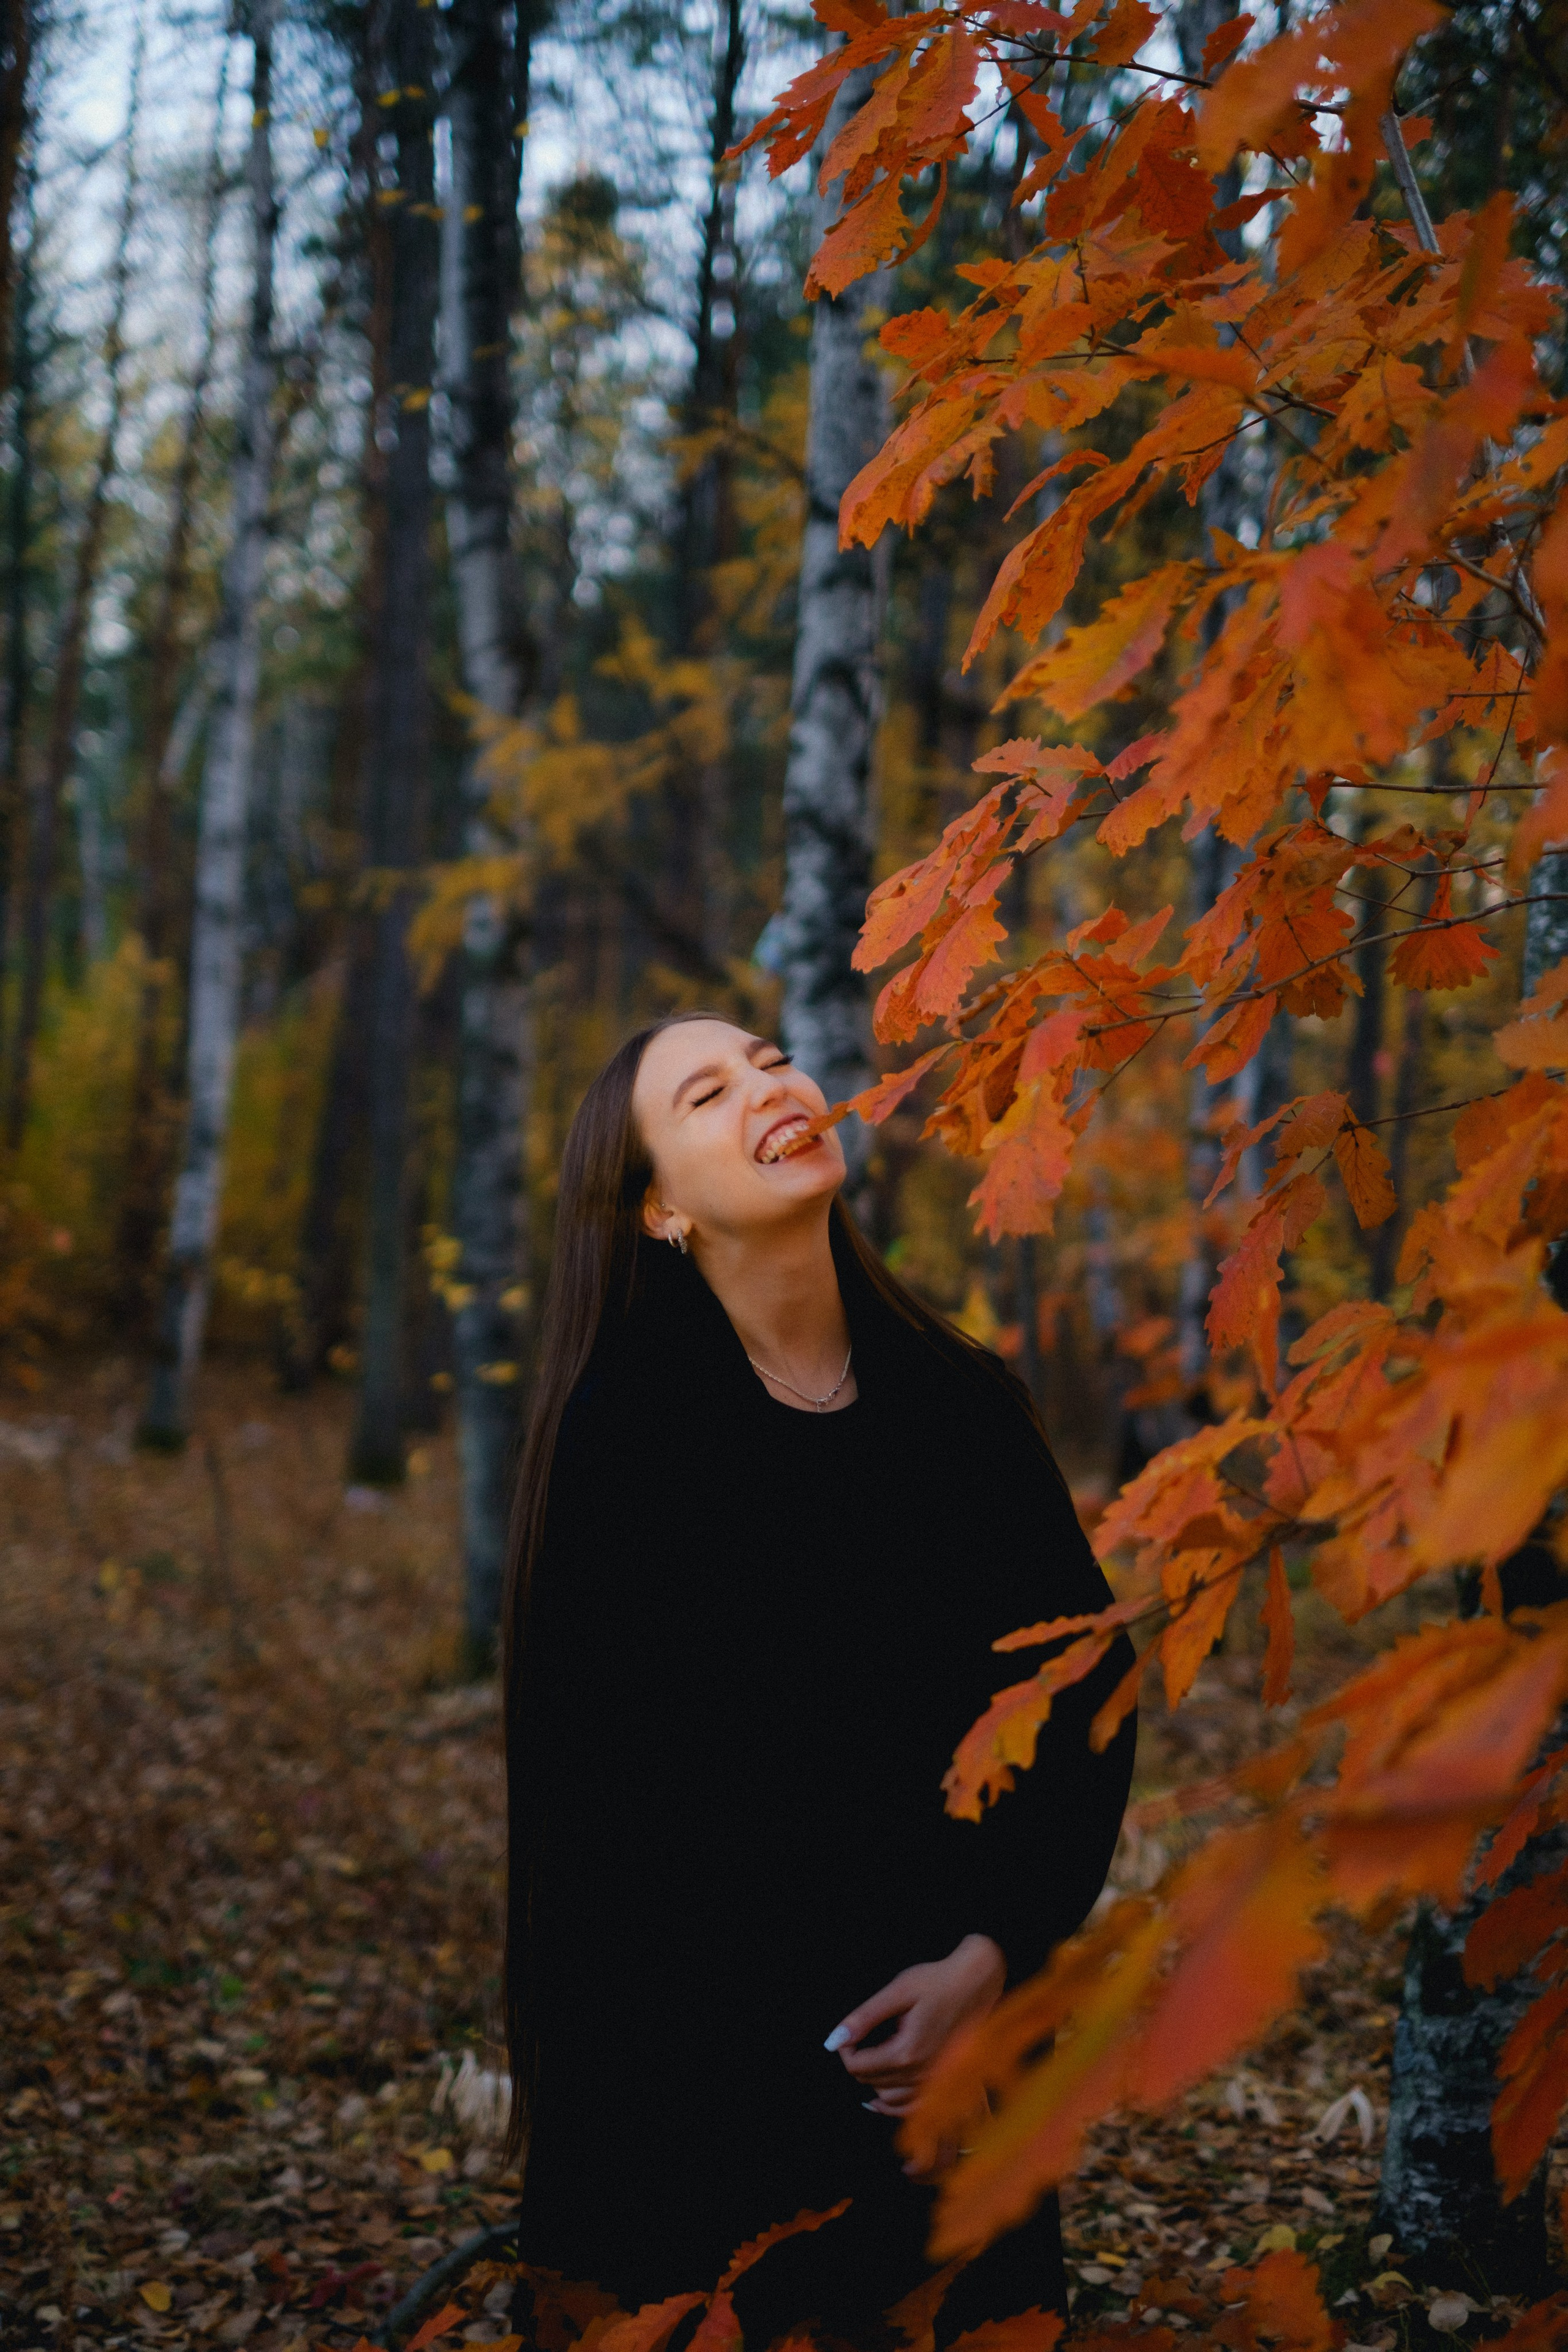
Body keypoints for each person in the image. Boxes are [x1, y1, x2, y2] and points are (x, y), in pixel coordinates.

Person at [503, 1015, 1136, 2348]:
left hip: (965, 2061)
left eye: (770, 1057)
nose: (769, 1086)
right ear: (659, 1209)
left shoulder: (960, 1402)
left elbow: (1081, 1689)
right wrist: (863, 2051)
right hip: (702, 2093)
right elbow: (626, 1828)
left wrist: (990, 1959)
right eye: (706, 1093)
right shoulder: (627, 1442)